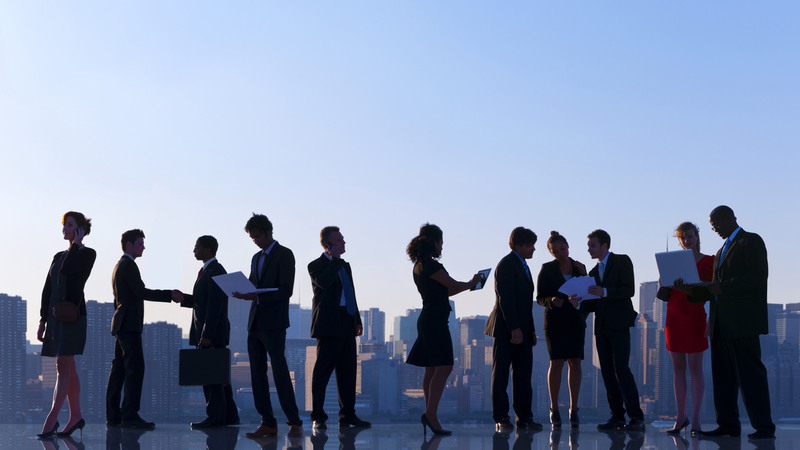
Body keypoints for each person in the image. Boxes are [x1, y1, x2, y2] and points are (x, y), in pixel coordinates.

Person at [680, 206, 775, 440]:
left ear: (731, 218)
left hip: (743, 323)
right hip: (720, 324)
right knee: (723, 378)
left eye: (717, 225)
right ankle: (728, 426)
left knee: (750, 377)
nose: (716, 230)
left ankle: (764, 428)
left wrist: (724, 287)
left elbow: (757, 276)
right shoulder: (722, 250)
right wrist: (690, 291)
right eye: (712, 227)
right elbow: (713, 290)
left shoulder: (750, 241)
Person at [405, 223, 484, 435]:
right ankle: (430, 414)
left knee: (432, 368)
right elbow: (453, 285)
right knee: (446, 366)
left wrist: (467, 285)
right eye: (441, 242)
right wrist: (471, 282)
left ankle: (429, 413)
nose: (442, 247)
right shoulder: (431, 266)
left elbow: (445, 291)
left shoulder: (420, 266)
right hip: (434, 322)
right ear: (434, 242)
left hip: (430, 319)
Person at [232, 213, 303, 438]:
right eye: (252, 238)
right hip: (254, 322)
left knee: (280, 371)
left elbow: (286, 290)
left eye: (258, 236)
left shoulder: (285, 255)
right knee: (257, 374)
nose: (256, 241)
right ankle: (268, 423)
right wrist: (246, 290)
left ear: (269, 232)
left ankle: (294, 422)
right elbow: (256, 284)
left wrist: (256, 297)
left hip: (274, 323)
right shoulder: (255, 258)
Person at [106, 229, 183, 429]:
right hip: (129, 325)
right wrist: (170, 295)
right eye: (140, 243)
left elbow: (118, 299)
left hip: (120, 324)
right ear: (129, 245)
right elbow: (141, 292)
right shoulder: (129, 266)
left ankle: (114, 415)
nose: (143, 247)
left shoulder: (118, 266)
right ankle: (130, 415)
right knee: (135, 369)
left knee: (119, 370)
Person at [36, 212, 96, 439]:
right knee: (68, 368)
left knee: (63, 366)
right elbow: (47, 289)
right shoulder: (57, 255)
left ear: (80, 230)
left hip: (73, 318)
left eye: (70, 225)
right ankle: (76, 416)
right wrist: (42, 320)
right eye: (64, 225)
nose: (64, 229)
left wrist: (76, 245)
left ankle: (51, 419)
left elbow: (68, 270)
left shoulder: (87, 253)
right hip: (54, 317)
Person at [580, 229, 644, 431]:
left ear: (604, 245)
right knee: (607, 372)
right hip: (601, 328)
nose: (589, 249)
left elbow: (629, 289)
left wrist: (605, 291)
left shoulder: (622, 261)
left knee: (622, 370)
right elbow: (591, 303)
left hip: (619, 325)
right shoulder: (592, 273)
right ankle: (617, 416)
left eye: (592, 245)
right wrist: (578, 301)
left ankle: (636, 416)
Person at [307, 226, 371, 429]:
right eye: (339, 241)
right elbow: (324, 283)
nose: (344, 243)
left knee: (348, 371)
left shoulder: (345, 266)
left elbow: (350, 293)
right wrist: (334, 261)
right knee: (322, 371)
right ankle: (318, 416)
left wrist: (357, 319)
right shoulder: (316, 265)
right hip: (328, 323)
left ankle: (348, 415)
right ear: (327, 245)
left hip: (347, 320)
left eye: (343, 240)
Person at [655, 222, 712, 436]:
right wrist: (664, 282)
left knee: (696, 369)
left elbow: (711, 290)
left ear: (697, 237)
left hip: (696, 315)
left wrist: (710, 319)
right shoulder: (673, 261)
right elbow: (665, 292)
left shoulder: (709, 261)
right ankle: (681, 418)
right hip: (674, 316)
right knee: (677, 368)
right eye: (682, 238)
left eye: (689, 236)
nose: (686, 240)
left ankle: (696, 418)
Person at [485, 227, 543, 431]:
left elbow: (526, 304)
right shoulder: (507, 264)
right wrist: (514, 328)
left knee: (524, 376)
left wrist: (530, 330)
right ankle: (501, 417)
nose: (533, 249)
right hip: (506, 330)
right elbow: (505, 299)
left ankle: (525, 417)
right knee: (500, 375)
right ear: (517, 246)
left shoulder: (523, 266)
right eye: (529, 245)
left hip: (523, 331)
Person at [180, 235, 240, 428]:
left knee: (211, 376)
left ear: (207, 249)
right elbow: (204, 301)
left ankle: (215, 417)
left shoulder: (215, 271)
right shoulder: (209, 271)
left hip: (211, 334)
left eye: (196, 247)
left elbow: (215, 306)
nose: (194, 250)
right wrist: (184, 299)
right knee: (219, 376)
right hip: (211, 332)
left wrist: (206, 335)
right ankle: (229, 416)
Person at [535, 231, 587, 429]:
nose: (560, 253)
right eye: (555, 251)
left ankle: (574, 410)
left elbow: (589, 291)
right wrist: (552, 301)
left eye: (562, 248)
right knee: (556, 363)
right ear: (552, 253)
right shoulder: (547, 269)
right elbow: (540, 297)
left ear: (568, 246)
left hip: (575, 321)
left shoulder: (578, 267)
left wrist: (583, 273)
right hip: (555, 321)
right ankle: (554, 408)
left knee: (575, 361)